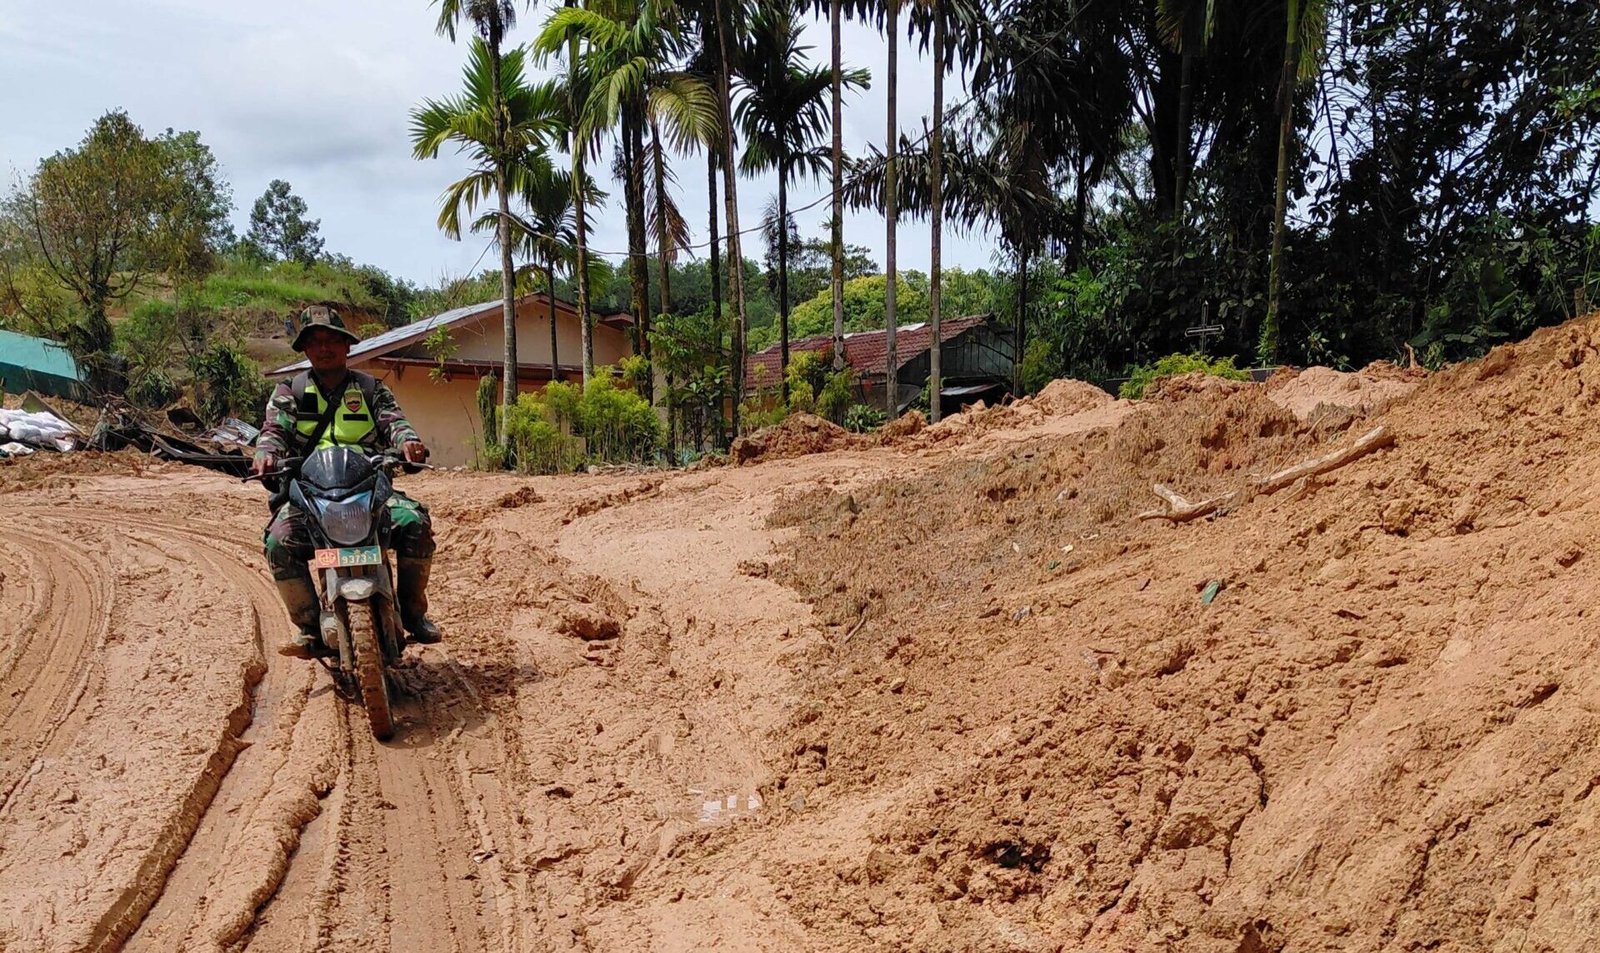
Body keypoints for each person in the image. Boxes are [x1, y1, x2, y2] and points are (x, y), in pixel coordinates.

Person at [252, 306, 443, 658]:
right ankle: (309, 626)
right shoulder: (290, 391)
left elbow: (396, 424)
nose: (324, 348)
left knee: (415, 523)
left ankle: (414, 615)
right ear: (305, 350)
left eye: (332, 340)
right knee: (279, 542)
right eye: (316, 342)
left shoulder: (371, 389)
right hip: (310, 497)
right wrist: (265, 453)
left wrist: (408, 444)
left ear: (347, 346)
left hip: (368, 493)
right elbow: (273, 431)